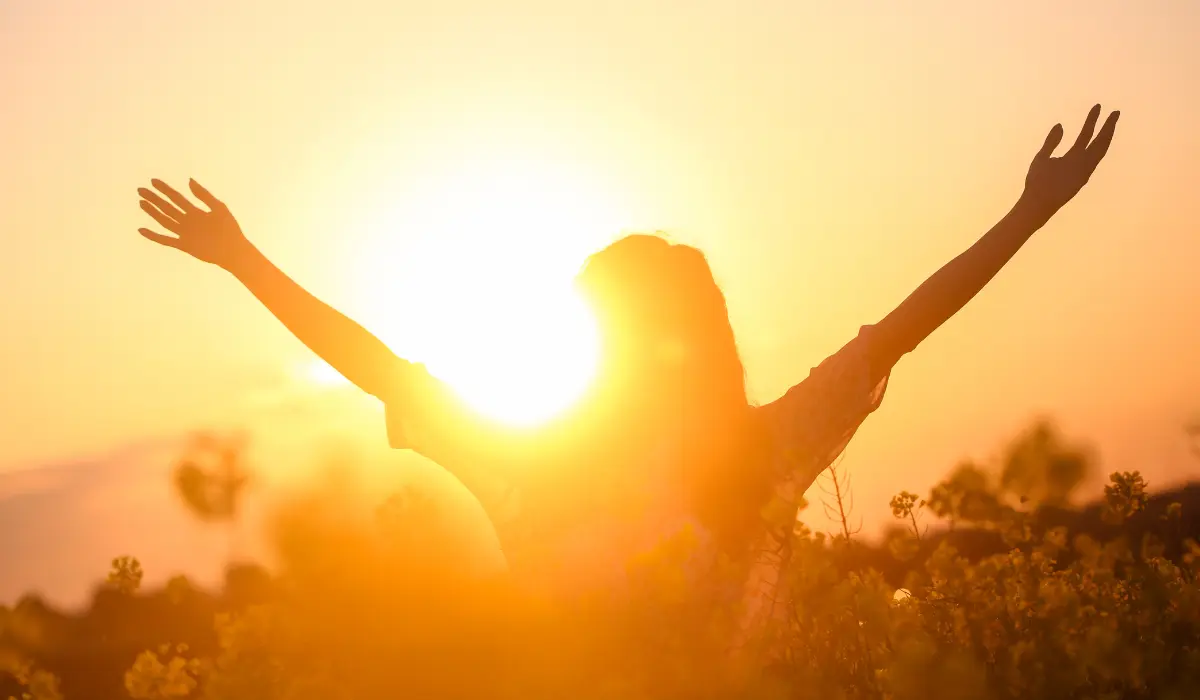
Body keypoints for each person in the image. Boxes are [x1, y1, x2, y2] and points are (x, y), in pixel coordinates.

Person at [135, 105, 1119, 651]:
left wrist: (1029, 214)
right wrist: (244, 260)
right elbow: (377, 366)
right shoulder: (570, 460)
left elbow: (904, 326)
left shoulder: (740, 452)